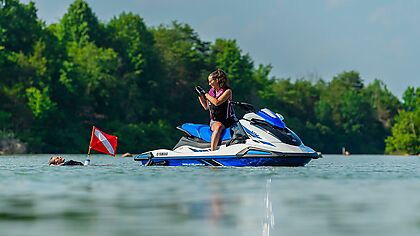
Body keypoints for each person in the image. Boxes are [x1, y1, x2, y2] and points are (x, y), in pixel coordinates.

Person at [195, 69, 235, 151]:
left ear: (217, 80)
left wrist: (205, 94)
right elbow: (206, 106)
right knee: (219, 127)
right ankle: (213, 151)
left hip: (229, 121)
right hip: (216, 121)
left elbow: (217, 102)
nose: (209, 84)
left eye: (210, 81)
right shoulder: (211, 93)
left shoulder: (227, 91)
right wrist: (200, 96)